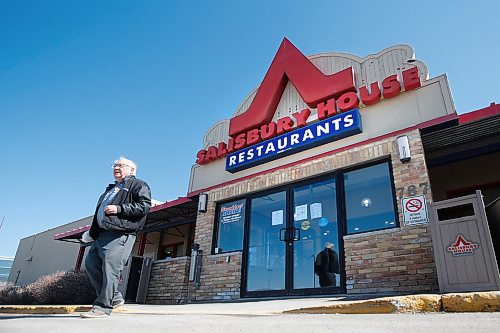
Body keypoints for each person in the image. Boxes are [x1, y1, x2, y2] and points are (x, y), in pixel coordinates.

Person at [80, 157, 151, 318]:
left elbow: (144, 206)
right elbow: (99, 215)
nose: (116, 167)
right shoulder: (110, 190)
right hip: (101, 235)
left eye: (121, 165)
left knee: (111, 269)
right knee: (91, 264)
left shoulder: (138, 184)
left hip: (120, 233)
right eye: (115, 165)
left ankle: (103, 307)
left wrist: (119, 208)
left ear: (132, 170)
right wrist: (91, 234)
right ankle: (115, 298)